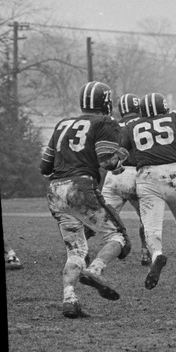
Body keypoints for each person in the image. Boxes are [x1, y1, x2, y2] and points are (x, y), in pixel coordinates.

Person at [39, 80, 131, 318]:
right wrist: (121, 156)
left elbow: (45, 166)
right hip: (80, 186)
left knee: (76, 250)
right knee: (118, 236)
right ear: (107, 102)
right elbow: (105, 161)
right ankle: (95, 270)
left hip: (54, 190)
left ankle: (69, 298)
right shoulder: (104, 122)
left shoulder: (63, 123)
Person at [101, 93, 176, 267]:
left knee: (142, 224)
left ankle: (153, 254)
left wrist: (109, 165)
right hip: (168, 175)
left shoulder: (127, 125)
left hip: (136, 176)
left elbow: (114, 156)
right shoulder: (172, 117)